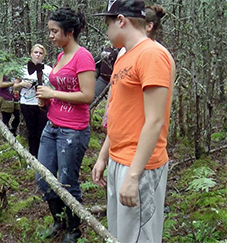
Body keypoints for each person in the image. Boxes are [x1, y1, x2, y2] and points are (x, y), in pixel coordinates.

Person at [92, 1, 175, 243]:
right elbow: (119, 113)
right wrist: (103, 156)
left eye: (107, 24)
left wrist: (134, 176)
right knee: (120, 236)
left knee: (139, 238)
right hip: (119, 159)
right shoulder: (123, 56)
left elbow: (155, 120)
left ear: (121, 20)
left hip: (140, 165)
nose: (106, 31)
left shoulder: (153, 55)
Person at [35, 7, 95, 243]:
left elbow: (87, 95)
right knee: (43, 177)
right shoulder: (61, 56)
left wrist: (54, 93)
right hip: (52, 125)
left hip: (73, 130)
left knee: (68, 181)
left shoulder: (83, 57)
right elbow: (62, 90)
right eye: (49, 31)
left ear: (69, 32)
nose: (50, 36)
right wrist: (48, 98)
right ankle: (58, 220)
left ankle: (73, 228)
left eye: (54, 31)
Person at [14, 44, 52, 157]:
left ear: (44, 56)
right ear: (31, 54)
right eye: (36, 52)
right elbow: (15, 87)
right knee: (31, 131)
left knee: (42, 131)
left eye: (40, 53)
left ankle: (43, 157)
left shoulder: (49, 70)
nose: (38, 55)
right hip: (26, 104)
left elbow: (53, 87)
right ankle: (33, 157)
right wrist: (22, 84)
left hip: (43, 105)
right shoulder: (22, 69)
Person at [0, 67, 20, 136]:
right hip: (4, 97)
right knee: (6, 117)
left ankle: (13, 131)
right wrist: (13, 83)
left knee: (18, 116)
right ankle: (4, 134)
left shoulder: (15, 67)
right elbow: (0, 84)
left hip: (15, 97)